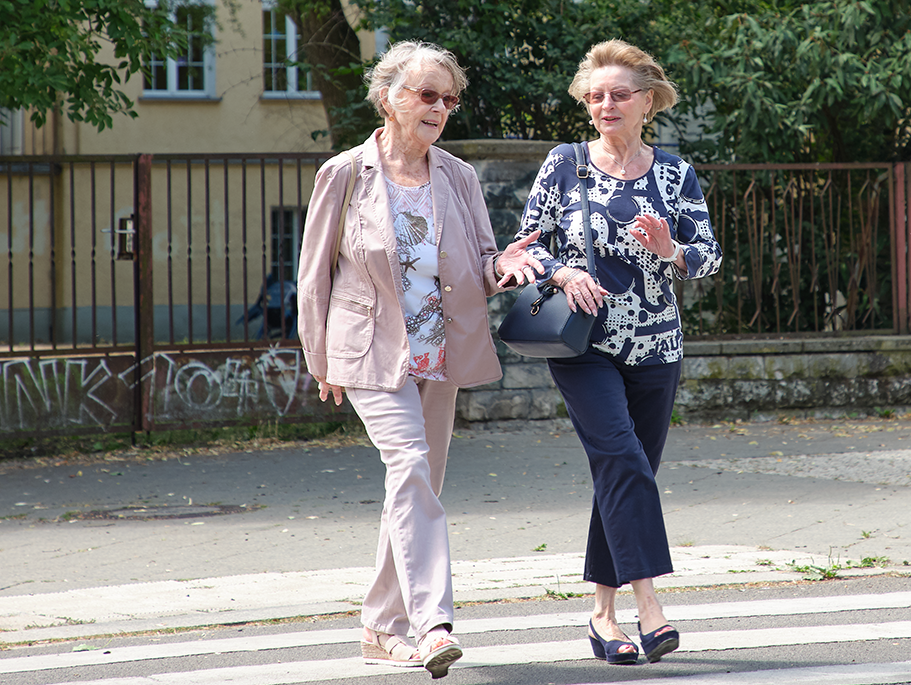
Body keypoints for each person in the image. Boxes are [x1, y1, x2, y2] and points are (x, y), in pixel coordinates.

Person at [296, 41, 544, 679]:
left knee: (416, 487)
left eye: (450, 98)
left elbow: (485, 263)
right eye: (427, 94)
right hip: (369, 351)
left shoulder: (458, 177)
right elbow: (314, 273)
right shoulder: (346, 173)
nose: (440, 107)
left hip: (441, 351)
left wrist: (508, 267)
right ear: (389, 97)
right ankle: (432, 624)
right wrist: (319, 357)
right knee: (408, 466)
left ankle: (381, 626)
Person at [516, 39, 721, 666]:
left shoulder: (674, 174)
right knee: (623, 459)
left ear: (648, 102)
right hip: (583, 344)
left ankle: (603, 619)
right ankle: (651, 608)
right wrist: (559, 273)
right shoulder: (565, 163)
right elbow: (522, 245)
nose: (607, 103)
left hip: (657, 345)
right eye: (596, 95)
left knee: (626, 474)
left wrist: (671, 250)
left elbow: (708, 256)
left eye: (620, 94)